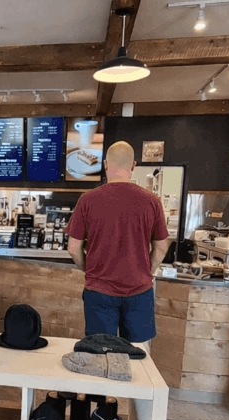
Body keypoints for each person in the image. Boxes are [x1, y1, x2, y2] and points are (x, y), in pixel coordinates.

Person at [66, 141, 170, 344]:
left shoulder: (87, 200)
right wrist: (146, 271)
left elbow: (73, 248)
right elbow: (161, 248)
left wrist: (90, 270)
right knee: (138, 355)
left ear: (105, 164)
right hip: (139, 292)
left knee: (100, 352)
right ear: (133, 165)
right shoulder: (152, 201)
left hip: (99, 292)